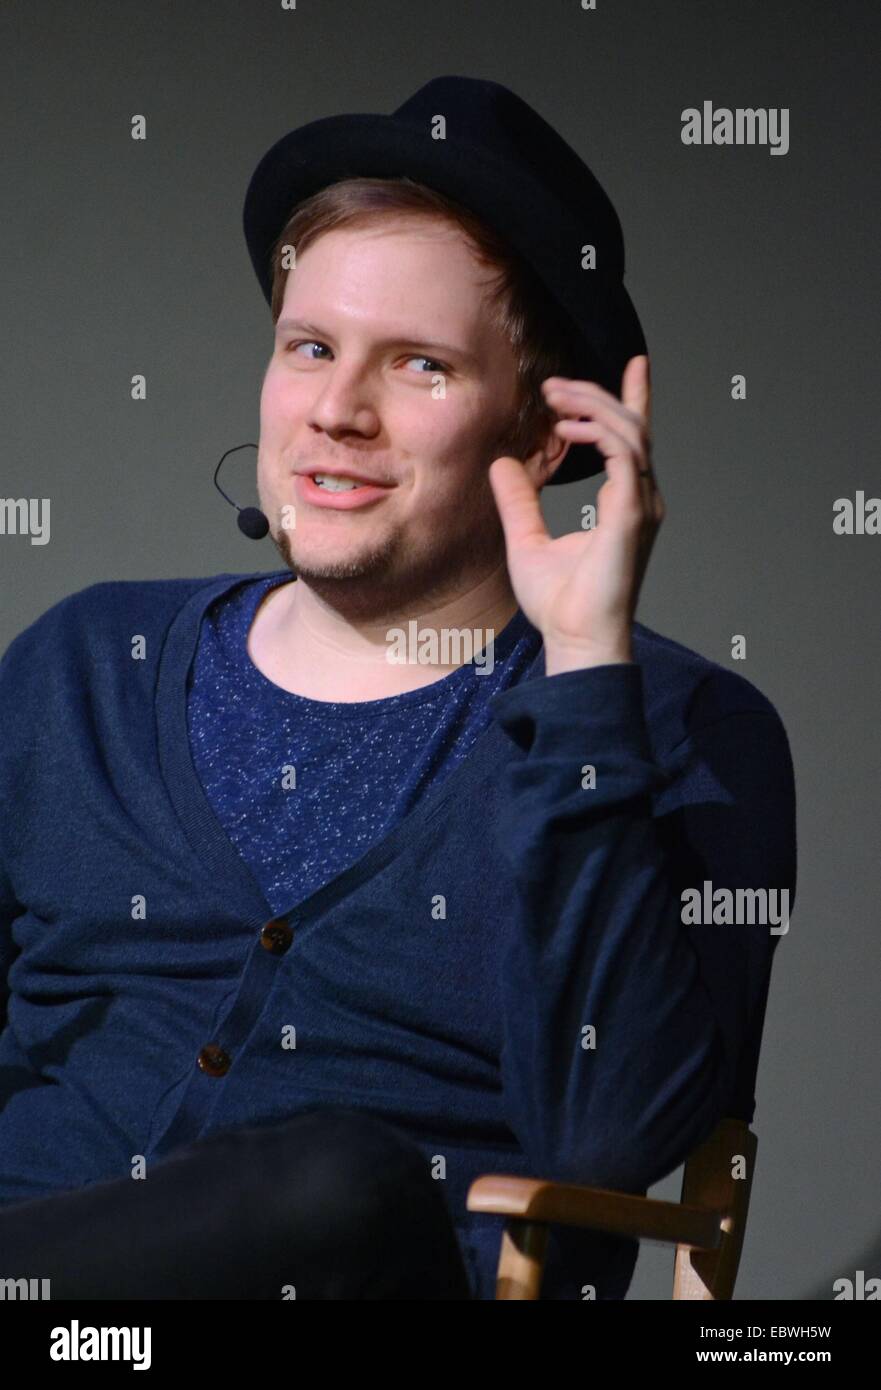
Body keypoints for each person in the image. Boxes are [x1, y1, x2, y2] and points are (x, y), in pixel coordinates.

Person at [0, 76, 796, 1300]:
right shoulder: (88, 665)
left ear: (547, 435)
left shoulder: (686, 730)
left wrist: (585, 666)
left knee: (338, 1183)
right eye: (310, 347)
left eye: (417, 367)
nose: (334, 410)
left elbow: (608, 1142)